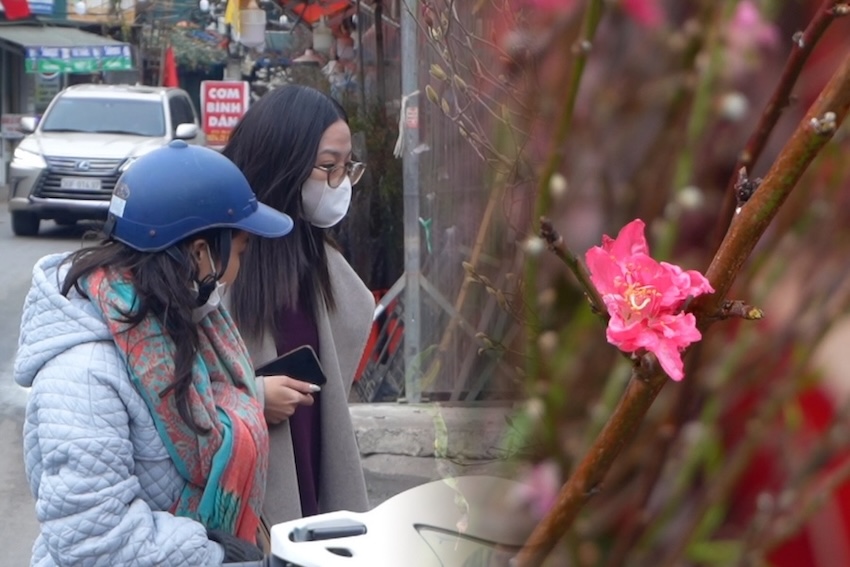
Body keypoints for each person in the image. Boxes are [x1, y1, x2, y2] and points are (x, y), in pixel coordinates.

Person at [14, 140, 296, 566]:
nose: (238, 269)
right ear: (201, 253)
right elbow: (95, 541)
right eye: (239, 251)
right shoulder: (86, 375)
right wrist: (217, 554)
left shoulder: (183, 326)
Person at [221, 84, 374, 527]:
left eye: (347, 168)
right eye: (328, 166)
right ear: (281, 162)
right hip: (245, 484)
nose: (339, 183)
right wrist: (253, 398)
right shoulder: (221, 258)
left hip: (311, 458)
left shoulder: (320, 258)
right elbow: (175, 389)